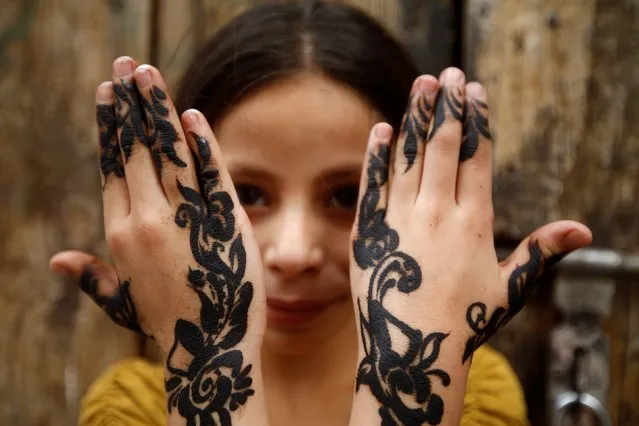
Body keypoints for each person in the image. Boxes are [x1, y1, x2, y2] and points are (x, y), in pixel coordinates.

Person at [49, 1, 592, 425]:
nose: (293, 254)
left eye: (347, 197)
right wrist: (206, 357)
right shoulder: (132, 412)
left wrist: (408, 376)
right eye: (247, 196)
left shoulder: (474, 397)